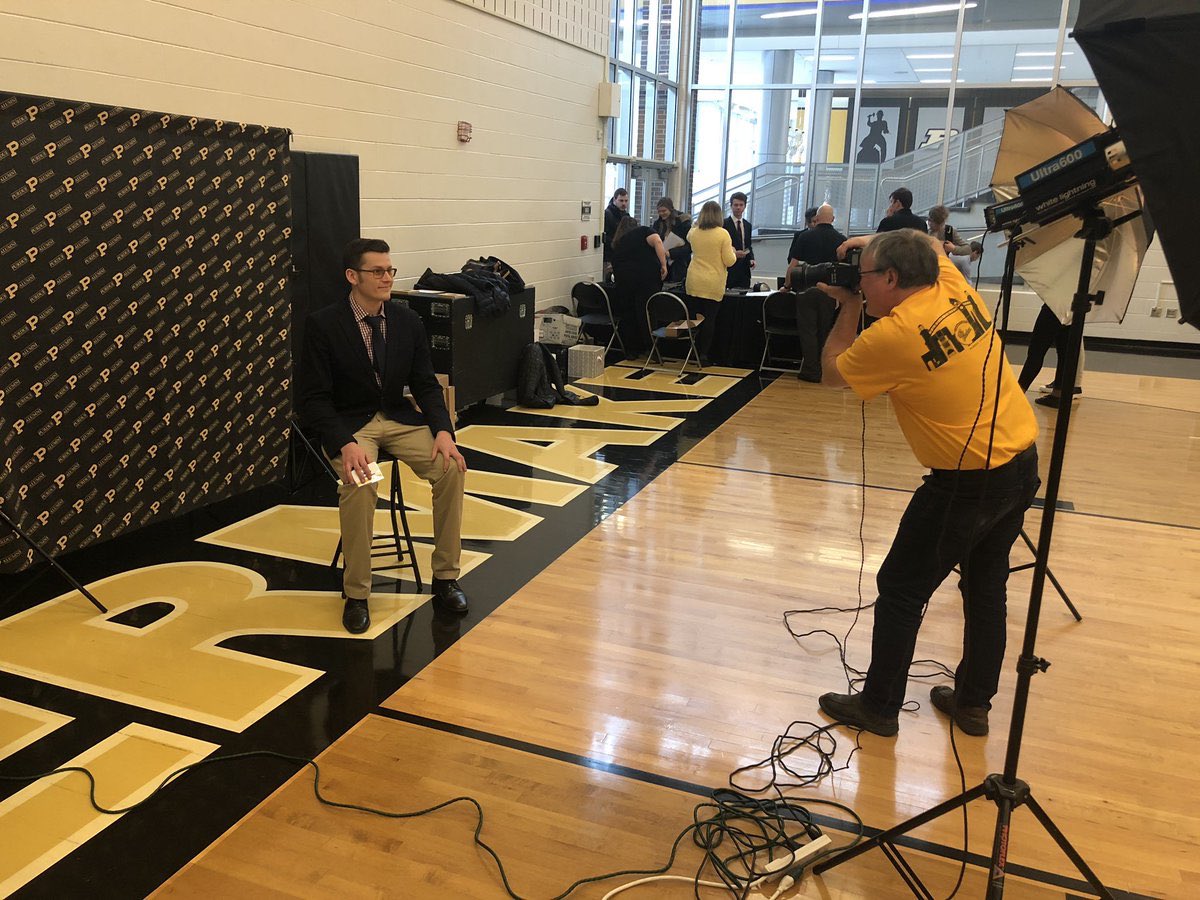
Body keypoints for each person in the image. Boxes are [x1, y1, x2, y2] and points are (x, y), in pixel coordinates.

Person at [814, 228, 1040, 738]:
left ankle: (879, 707)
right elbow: (928, 243)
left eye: (867, 277)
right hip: (1021, 462)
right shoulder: (951, 284)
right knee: (985, 587)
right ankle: (973, 703)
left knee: (900, 589)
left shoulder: (894, 336)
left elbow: (830, 374)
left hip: (966, 483)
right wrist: (870, 239)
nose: (862, 284)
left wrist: (847, 307)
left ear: (891, 277)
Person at [298, 238, 469, 635]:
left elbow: (426, 384)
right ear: (352, 276)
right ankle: (357, 593)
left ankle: (446, 577)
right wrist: (346, 443)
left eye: (390, 270)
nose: (386, 278)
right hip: (350, 425)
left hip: (396, 417)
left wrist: (443, 430)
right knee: (361, 481)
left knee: (452, 468)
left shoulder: (407, 321)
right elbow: (313, 399)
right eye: (377, 271)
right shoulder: (323, 324)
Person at [783, 203, 847, 383]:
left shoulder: (805, 236)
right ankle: (825, 368)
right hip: (829, 292)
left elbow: (793, 265)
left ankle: (811, 370)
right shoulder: (840, 240)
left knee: (807, 331)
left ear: (816, 219)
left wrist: (787, 286)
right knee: (825, 331)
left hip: (805, 290)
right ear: (833, 219)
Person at [686, 200, 737, 364]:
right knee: (710, 320)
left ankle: (692, 352)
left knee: (695, 319)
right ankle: (704, 354)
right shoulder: (723, 234)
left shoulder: (694, 233)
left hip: (694, 280)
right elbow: (729, 261)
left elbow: (689, 234)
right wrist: (734, 252)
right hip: (713, 282)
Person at [610, 216, 669, 357]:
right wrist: (663, 264)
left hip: (624, 281)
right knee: (647, 314)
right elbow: (657, 241)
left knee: (629, 314)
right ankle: (652, 349)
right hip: (646, 280)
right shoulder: (643, 231)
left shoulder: (618, 243)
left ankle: (631, 349)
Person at [1017, 302, 1084, 408]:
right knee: (1064, 354)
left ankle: (1017, 395)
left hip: (1055, 306)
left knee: (1036, 352)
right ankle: (1058, 395)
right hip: (1073, 308)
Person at [927, 205, 979, 281]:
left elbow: (968, 249)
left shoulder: (950, 231)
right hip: (927, 268)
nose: (930, 224)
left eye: (936, 223)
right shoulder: (924, 231)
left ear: (942, 222)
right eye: (929, 220)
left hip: (943, 269)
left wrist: (954, 249)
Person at [652, 197, 692, 283]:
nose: (661, 214)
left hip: (680, 264)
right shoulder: (657, 224)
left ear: (670, 209)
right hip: (663, 263)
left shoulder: (683, 223)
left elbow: (690, 247)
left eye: (664, 211)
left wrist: (671, 253)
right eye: (659, 211)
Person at [724, 192, 755, 289]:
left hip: (744, 268)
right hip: (730, 267)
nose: (738, 207)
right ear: (731, 206)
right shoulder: (724, 224)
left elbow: (748, 245)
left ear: (745, 206)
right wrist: (734, 253)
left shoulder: (747, 225)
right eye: (736, 205)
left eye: (741, 205)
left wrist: (751, 258)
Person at [603, 188, 630, 272]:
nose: (624, 204)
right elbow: (605, 236)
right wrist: (616, 244)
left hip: (622, 255)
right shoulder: (607, 214)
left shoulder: (626, 215)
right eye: (621, 200)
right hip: (610, 255)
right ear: (615, 199)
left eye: (626, 201)